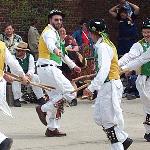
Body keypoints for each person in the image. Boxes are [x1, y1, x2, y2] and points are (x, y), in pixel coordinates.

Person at [83, 18, 132, 150]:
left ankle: (118, 146)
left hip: (110, 84)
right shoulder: (105, 44)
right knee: (99, 117)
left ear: (93, 33)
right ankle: (123, 138)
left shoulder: (103, 46)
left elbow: (105, 69)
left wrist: (91, 87)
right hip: (108, 84)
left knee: (107, 120)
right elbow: (104, 68)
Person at [36, 9, 81, 137]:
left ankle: (51, 129)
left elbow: (63, 53)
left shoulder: (56, 34)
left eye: (60, 20)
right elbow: (51, 46)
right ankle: (42, 109)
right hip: (48, 68)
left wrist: (73, 66)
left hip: (48, 68)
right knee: (70, 93)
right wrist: (56, 50)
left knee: (57, 99)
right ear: (50, 20)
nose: (59, 22)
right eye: (56, 19)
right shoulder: (49, 32)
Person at [119, 18, 150, 142]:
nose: (147, 35)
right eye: (145, 32)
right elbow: (131, 56)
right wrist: (117, 65)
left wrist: (122, 68)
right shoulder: (139, 45)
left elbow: (141, 59)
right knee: (148, 106)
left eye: (149, 32)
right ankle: (148, 132)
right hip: (144, 80)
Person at [0, 41, 29, 149]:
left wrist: (22, 76)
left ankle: (2, 141)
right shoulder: (2, 45)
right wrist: (22, 75)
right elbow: (13, 63)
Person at [11, 41, 45, 107]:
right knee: (14, 79)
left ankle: (40, 98)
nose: (17, 52)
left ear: (24, 52)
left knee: (36, 77)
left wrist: (28, 75)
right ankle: (16, 99)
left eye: (19, 51)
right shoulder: (13, 57)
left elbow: (31, 68)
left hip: (27, 76)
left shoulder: (30, 57)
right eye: (17, 50)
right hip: (16, 75)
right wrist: (23, 77)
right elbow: (15, 69)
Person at [59, 27, 86, 106]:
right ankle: (63, 99)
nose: (63, 32)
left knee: (72, 81)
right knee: (61, 82)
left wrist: (67, 50)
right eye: (61, 31)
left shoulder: (69, 38)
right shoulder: (56, 39)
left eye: (64, 31)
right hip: (60, 63)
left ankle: (73, 99)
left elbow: (76, 48)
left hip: (70, 62)